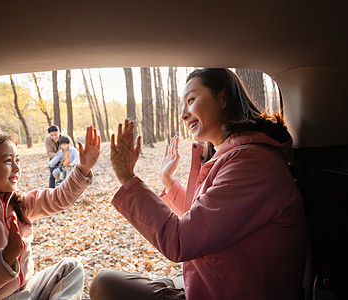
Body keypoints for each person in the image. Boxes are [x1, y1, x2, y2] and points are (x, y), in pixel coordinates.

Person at [90, 68, 307, 300]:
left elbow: (181, 240)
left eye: (191, 100)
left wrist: (126, 176)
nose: (183, 114)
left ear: (223, 98)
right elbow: (204, 222)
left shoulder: (252, 164)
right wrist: (168, 181)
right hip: (211, 280)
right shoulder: (235, 156)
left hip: (231, 290)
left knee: (104, 285)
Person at [0, 126, 100, 299]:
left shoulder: (18, 203)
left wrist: (83, 169)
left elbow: (57, 199)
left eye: (17, 160)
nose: (17, 168)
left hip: (26, 291)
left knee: (71, 267)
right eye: (8, 161)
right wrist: (7, 256)